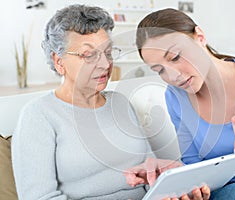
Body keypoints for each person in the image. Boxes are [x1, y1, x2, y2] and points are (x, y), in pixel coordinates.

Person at [11, 4, 209, 200]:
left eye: (108, 52)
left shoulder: (120, 103)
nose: (105, 65)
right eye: (89, 56)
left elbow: (150, 173)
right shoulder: (38, 115)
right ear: (58, 61)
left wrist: (174, 190)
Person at [124, 8, 235, 199]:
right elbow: (193, 163)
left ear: (199, 37)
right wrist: (176, 175)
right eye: (160, 70)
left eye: (175, 57)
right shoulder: (175, 96)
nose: (173, 76)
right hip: (218, 194)